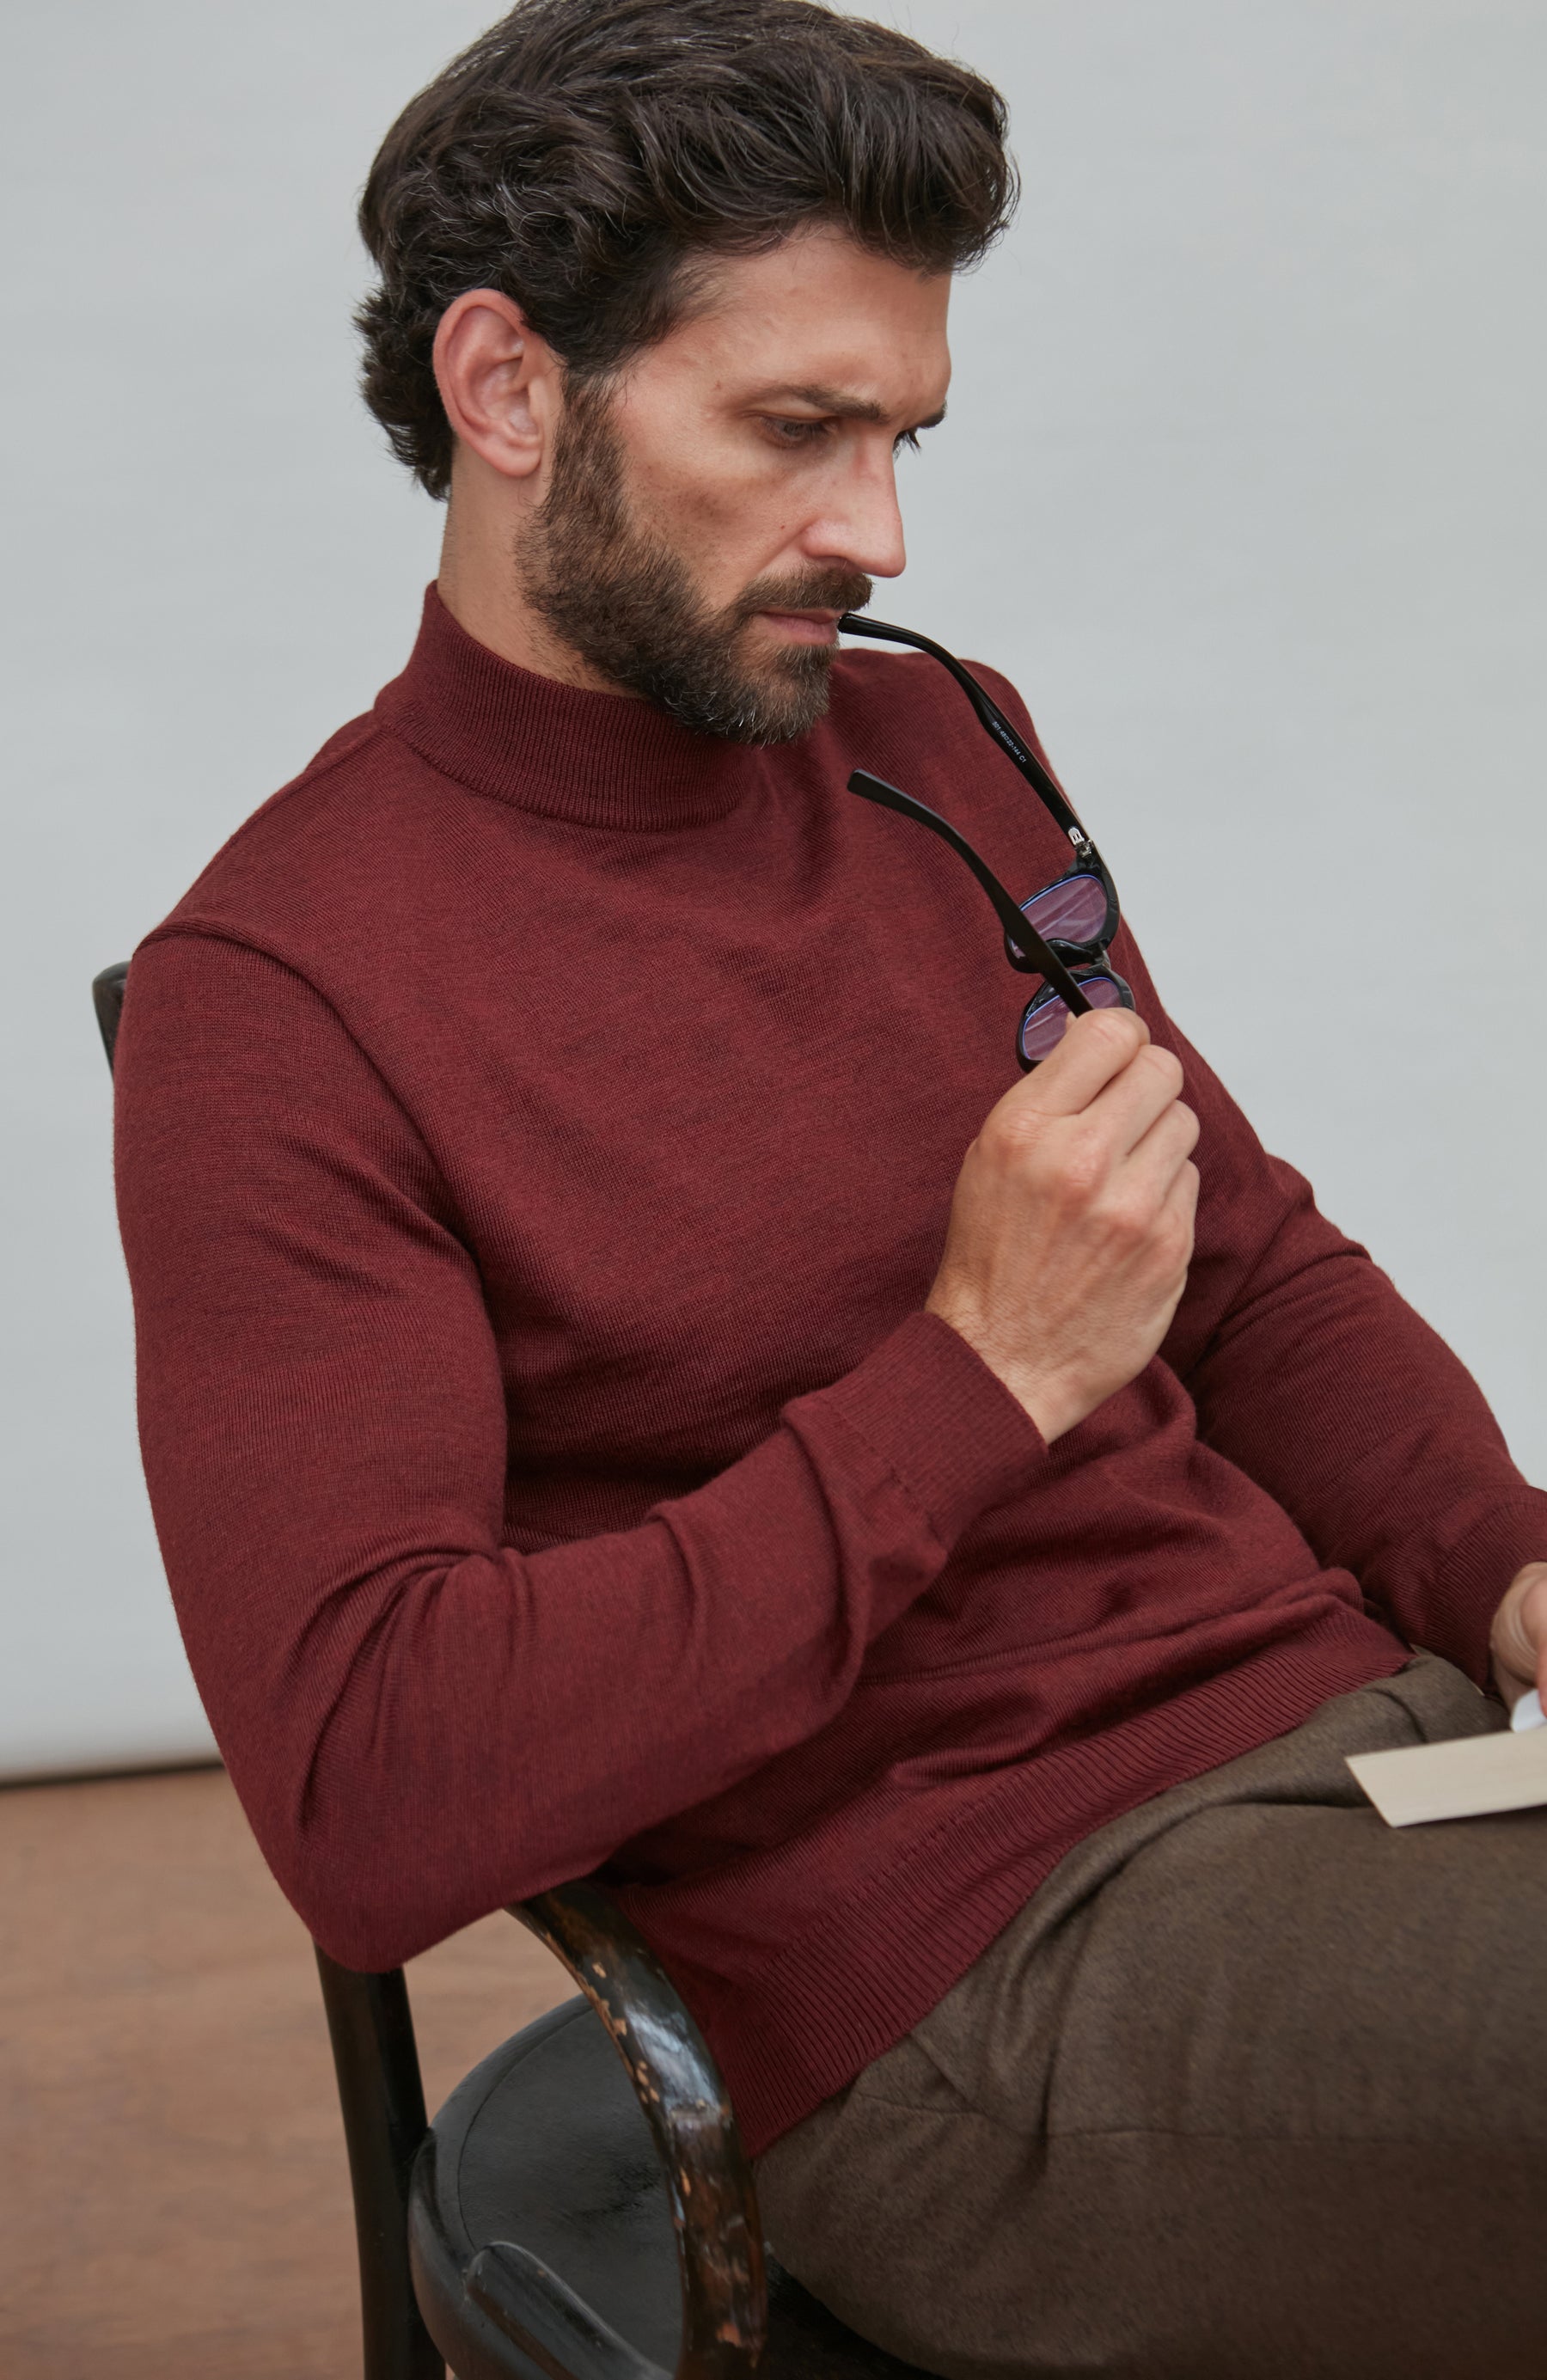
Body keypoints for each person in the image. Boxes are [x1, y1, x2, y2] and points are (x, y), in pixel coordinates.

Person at [113, 3, 1547, 2372]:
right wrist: (974, 1375)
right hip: (984, 2003)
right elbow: (370, 1790)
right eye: (796, 428)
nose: (878, 530)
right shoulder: (282, 995)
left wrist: (1510, 1579)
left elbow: (1247, 1267)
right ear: (510, 388)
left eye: (901, 433)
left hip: (1373, 1767)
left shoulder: (936, 744)